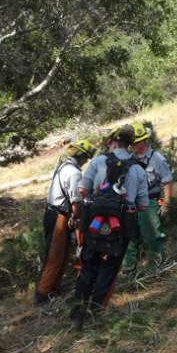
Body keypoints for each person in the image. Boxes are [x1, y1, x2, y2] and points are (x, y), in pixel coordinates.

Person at [70, 125, 149, 327]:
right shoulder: (138, 169)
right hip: (121, 226)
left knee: (88, 265)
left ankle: (78, 314)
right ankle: (96, 314)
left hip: (94, 223)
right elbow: (143, 205)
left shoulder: (97, 161)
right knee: (109, 269)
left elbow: (82, 191)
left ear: (113, 142)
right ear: (130, 145)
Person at [35, 138, 97, 304]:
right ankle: (42, 294)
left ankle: (53, 289)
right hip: (59, 216)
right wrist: (76, 218)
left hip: (52, 213)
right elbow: (76, 202)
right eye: (86, 158)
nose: (85, 161)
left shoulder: (63, 166)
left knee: (60, 254)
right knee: (55, 255)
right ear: (81, 157)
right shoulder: (74, 173)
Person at [122, 121, 174, 271]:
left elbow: (167, 182)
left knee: (152, 234)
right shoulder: (129, 160)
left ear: (146, 140)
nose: (138, 144)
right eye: (134, 142)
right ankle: (128, 269)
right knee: (129, 236)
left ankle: (158, 266)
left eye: (141, 141)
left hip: (151, 201)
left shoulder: (157, 158)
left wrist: (165, 203)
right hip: (132, 202)